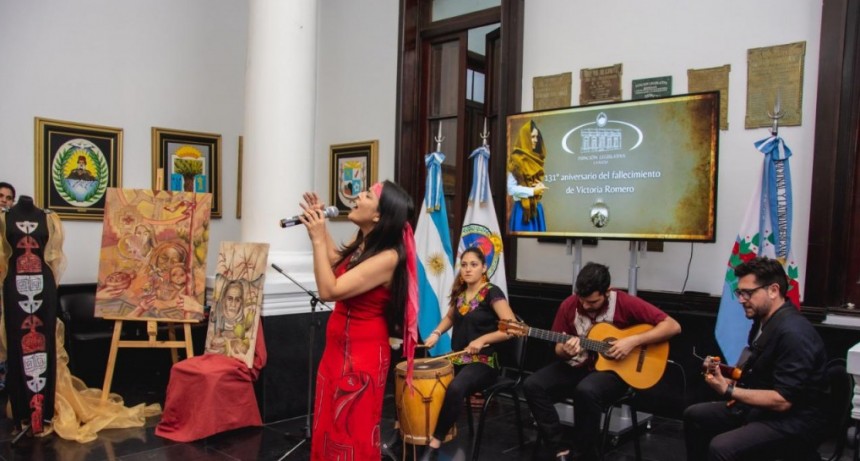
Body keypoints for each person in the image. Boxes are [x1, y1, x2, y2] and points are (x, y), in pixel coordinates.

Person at [299, 180, 418, 460]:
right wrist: (320, 230)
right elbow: (333, 264)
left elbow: (330, 290)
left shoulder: (389, 257)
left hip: (361, 356)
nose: (356, 198)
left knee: (351, 428)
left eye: (365, 195)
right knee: (329, 424)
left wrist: (317, 238)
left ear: (378, 215)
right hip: (337, 349)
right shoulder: (364, 243)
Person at [522, 262, 681, 461]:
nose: (586, 306)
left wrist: (632, 341)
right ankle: (558, 447)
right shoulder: (569, 305)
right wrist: (566, 351)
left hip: (615, 371)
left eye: (593, 302)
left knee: (587, 390)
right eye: (583, 301)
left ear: (607, 292)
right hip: (579, 365)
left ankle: (584, 455)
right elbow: (558, 350)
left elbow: (673, 326)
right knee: (532, 385)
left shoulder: (624, 302)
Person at [683, 257, 829, 461]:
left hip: (793, 422)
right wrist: (724, 374)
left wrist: (729, 390)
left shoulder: (794, 333)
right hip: (762, 411)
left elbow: (783, 401)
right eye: (739, 292)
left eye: (748, 293)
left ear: (773, 290)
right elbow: (756, 369)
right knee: (695, 416)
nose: (741, 299)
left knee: (722, 448)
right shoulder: (763, 321)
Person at [419, 247, 516, 460]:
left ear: (483, 268)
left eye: (473, 265)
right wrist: (436, 332)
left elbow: (512, 328)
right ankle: (412, 432)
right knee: (420, 375)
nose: (468, 269)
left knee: (456, 387)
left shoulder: (492, 292)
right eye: (464, 265)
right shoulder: (461, 294)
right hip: (459, 357)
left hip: (485, 362)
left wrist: (483, 340)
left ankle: (434, 444)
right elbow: (450, 318)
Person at [0, 195, 66, 435]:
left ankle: (43, 412)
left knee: (44, 346)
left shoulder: (49, 219)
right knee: (19, 347)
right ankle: (21, 413)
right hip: (14, 289)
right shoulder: (3, 218)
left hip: (43, 289)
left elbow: (54, 258)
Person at [507, 120, 548, 232]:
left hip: (536, 209)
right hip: (522, 211)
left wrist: (539, 186)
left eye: (537, 137)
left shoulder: (537, 157)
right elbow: (511, 189)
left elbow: (533, 182)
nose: (535, 140)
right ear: (525, 138)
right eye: (532, 137)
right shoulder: (516, 160)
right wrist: (532, 191)